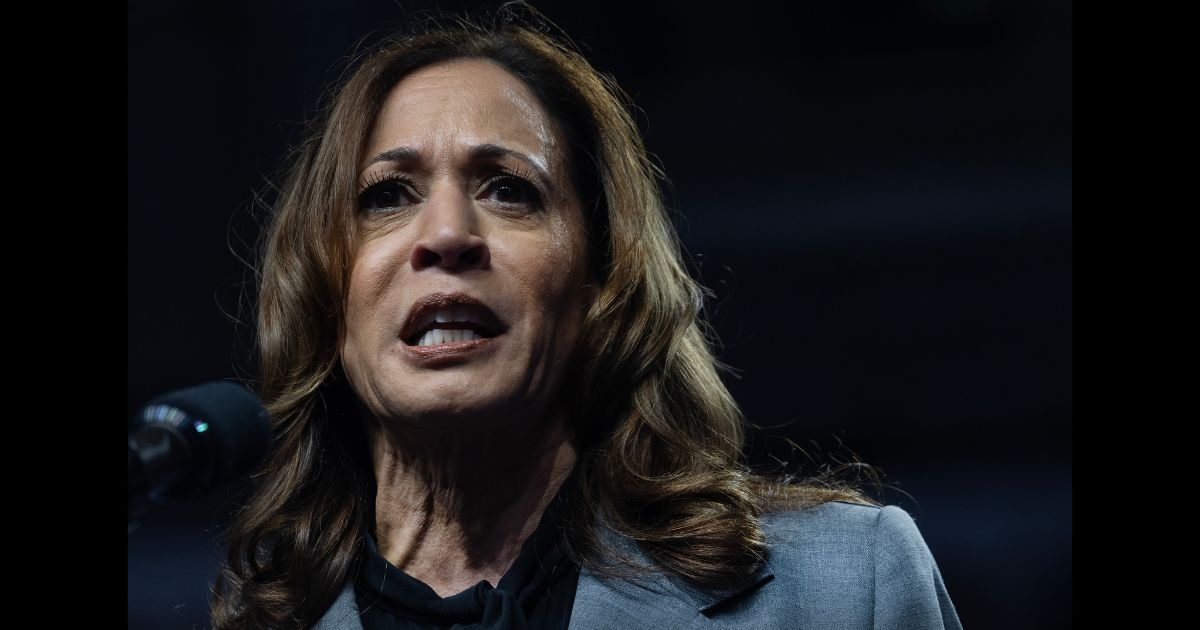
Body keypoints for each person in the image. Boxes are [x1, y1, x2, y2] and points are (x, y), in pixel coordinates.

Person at [211, 5, 963, 629]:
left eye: (510, 189)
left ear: (604, 280)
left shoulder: (844, 590)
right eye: (386, 195)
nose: (445, 234)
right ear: (326, 292)